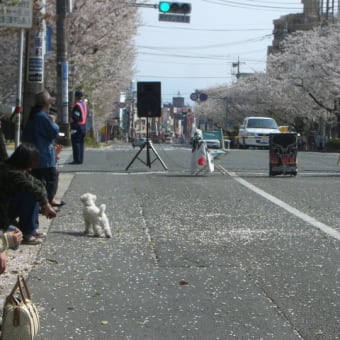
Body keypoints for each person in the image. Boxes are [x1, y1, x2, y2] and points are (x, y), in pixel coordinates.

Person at [0, 143, 56, 246]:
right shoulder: (11, 173)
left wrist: (45, 203)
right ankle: (27, 232)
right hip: (2, 214)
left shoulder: (15, 168)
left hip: (7, 208)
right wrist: (46, 205)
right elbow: (33, 189)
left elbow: (39, 184)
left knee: (36, 190)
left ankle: (31, 229)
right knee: (30, 194)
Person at [22, 89, 61, 207]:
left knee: (37, 180)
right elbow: (53, 131)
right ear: (46, 103)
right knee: (52, 178)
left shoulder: (33, 116)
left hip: (34, 154)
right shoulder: (42, 117)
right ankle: (47, 202)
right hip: (44, 154)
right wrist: (54, 122)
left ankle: (38, 203)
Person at [70, 90, 88, 164]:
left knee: (76, 143)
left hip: (77, 127)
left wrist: (73, 128)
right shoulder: (84, 104)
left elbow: (75, 117)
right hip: (83, 126)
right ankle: (80, 159)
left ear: (76, 96)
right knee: (81, 143)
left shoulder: (77, 105)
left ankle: (77, 160)